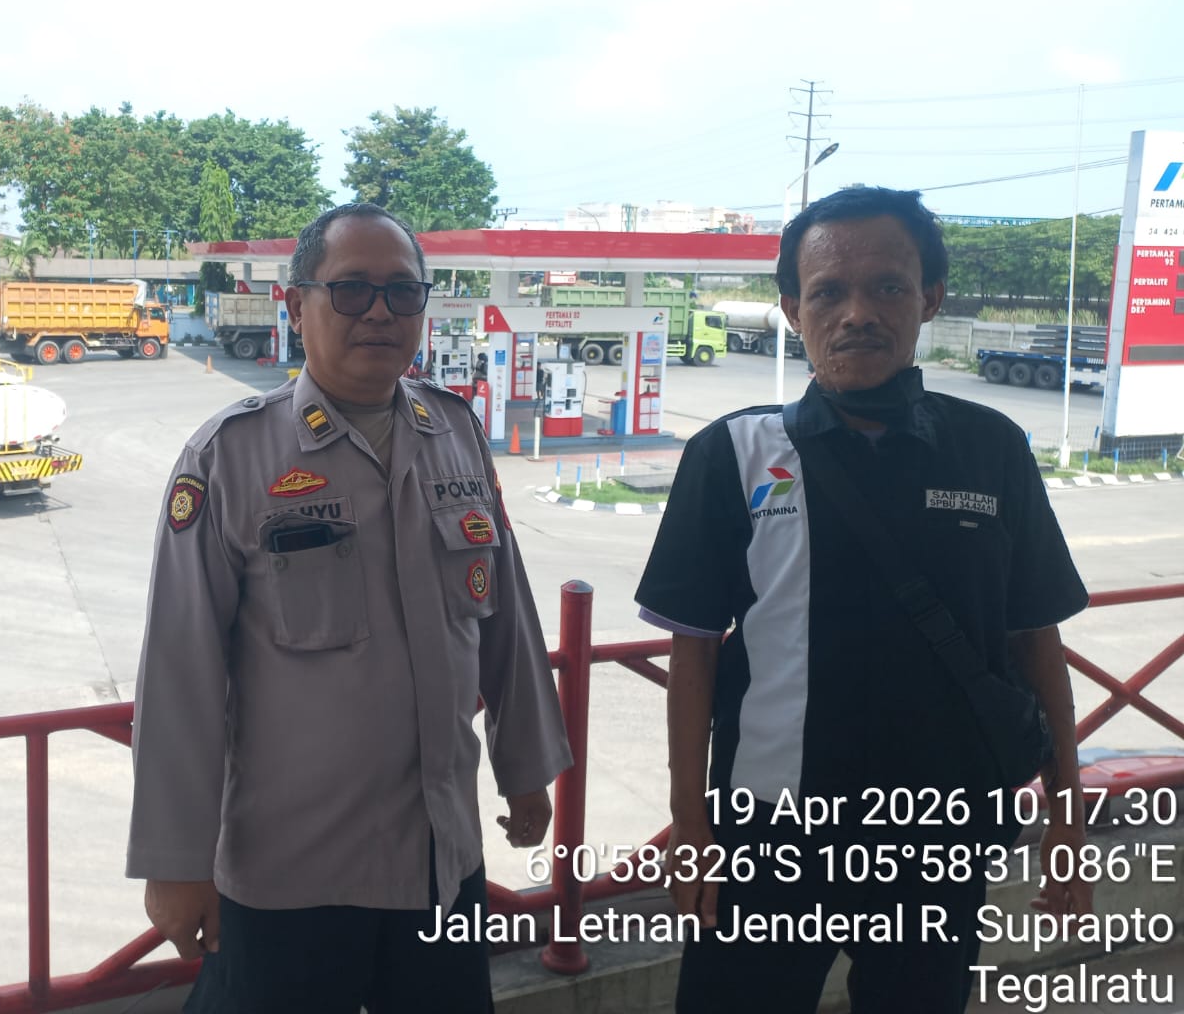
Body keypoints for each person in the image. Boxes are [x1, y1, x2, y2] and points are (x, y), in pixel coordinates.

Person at [635, 187, 1090, 1014]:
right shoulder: (733, 452)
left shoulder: (991, 449)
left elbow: (1036, 640)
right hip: (771, 833)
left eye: (887, 287)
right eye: (828, 292)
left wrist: (1068, 821)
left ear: (931, 298)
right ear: (791, 309)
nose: (857, 314)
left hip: (938, 834)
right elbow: (693, 648)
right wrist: (691, 826)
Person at [128, 203, 572, 1013]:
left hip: (443, 859)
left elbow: (507, 620)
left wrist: (526, 770)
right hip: (291, 876)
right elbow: (178, 670)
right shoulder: (230, 457)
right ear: (297, 306)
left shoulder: (457, 434)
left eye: (403, 292)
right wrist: (175, 860)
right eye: (352, 289)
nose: (379, 312)